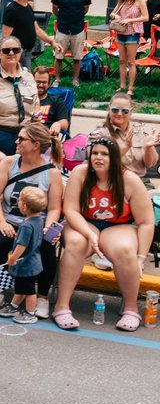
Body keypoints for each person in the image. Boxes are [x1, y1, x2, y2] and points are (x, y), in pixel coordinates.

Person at [52, 138, 155, 331]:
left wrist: (141, 257)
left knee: (124, 249)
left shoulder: (129, 179)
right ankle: (62, 306)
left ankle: (131, 309)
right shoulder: (80, 173)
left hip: (118, 225)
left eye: (104, 154)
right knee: (76, 243)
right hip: (84, 222)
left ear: (115, 158)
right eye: (95, 153)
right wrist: (89, 235)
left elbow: (146, 222)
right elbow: (71, 210)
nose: (98, 158)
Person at [0, 123, 64, 318]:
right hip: (9, 219)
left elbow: (53, 208)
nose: (16, 141)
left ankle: (42, 296)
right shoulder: (9, 163)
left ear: (35, 145)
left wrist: (48, 228)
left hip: (36, 224)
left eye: (21, 139)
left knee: (46, 248)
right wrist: (1, 222)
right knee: (0, 241)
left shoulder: (52, 173)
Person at [0, 187, 48, 324]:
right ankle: (14, 306)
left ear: (24, 206)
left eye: (19, 200)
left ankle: (30, 312)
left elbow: (22, 246)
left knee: (29, 290)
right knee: (21, 287)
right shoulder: (38, 221)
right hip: (33, 261)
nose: (18, 202)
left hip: (26, 263)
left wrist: (13, 258)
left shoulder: (26, 226)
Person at [88, 92, 160, 180]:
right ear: (108, 109)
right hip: (113, 181)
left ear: (131, 112)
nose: (119, 114)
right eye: (115, 110)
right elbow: (98, 161)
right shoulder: (100, 133)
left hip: (140, 180)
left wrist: (149, 148)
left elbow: (150, 164)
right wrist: (126, 146)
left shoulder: (138, 131)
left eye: (125, 111)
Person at [0, 0, 54, 70]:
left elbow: (37, 29)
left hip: (27, 52)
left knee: (25, 80)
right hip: (17, 54)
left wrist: (51, 42)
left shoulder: (27, 7)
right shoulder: (12, 10)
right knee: (20, 81)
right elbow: (5, 37)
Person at [49, 0, 90, 88]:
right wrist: (63, 18)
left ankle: (75, 80)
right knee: (59, 56)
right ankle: (57, 79)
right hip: (62, 29)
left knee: (77, 57)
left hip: (78, 28)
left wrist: (76, 17)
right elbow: (55, 9)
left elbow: (85, 9)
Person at [109, 0, 146, 95]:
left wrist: (129, 20)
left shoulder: (139, 0)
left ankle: (130, 88)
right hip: (121, 33)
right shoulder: (122, 1)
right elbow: (112, 13)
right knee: (121, 61)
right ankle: (122, 85)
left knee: (131, 61)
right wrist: (116, 16)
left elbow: (146, 17)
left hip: (133, 33)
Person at [31, 64, 71, 138]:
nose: (40, 85)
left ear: (49, 84)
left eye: (44, 82)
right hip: (27, 135)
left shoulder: (56, 100)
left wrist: (58, 124)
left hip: (46, 138)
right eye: (38, 82)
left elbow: (65, 123)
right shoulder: (25, 99)